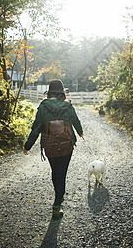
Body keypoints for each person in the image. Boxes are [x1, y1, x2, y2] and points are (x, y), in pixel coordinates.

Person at [23, 79, 83, 219]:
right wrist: (80, 133)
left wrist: (28, 145)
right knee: (62, 173)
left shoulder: (43, 107)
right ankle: (58, 203)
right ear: (62, 92)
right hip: (67, 145)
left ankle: (58, 199)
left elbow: (36, 128)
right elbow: (76, 122)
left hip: (49, 145)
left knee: (55, 171)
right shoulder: (68, 106)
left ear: (49, 92)